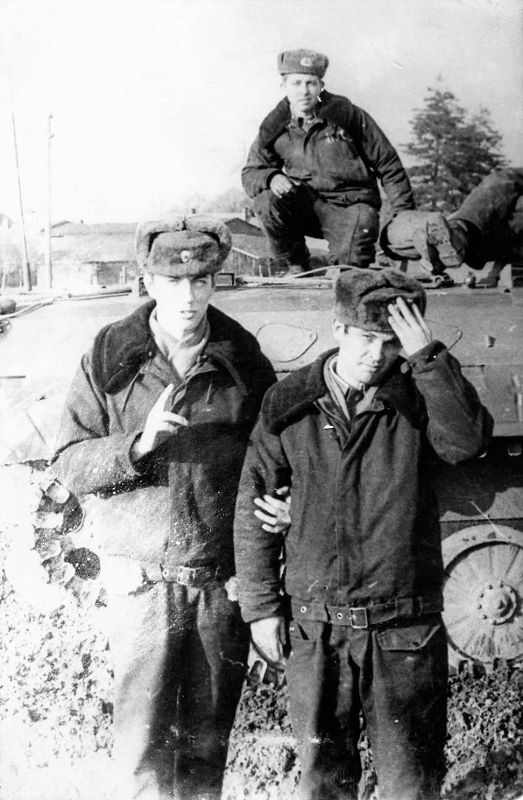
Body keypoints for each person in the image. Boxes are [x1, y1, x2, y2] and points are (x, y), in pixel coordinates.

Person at [234, 268, 493, 800]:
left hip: (403, 628)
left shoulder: (419, 397)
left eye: (391, 342)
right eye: (366, 338)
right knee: (322, 783)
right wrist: (260, 609)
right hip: (317, 630)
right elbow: (254, 506)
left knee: (410, 783)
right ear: (339, 330)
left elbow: (466, 443)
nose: (377, 355)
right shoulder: (290, 403)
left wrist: (427, 358)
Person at [51, 215, 276, 800]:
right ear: (148, 282)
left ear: (215, 282)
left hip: (215, 587)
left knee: (205, 752)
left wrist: (280, 507)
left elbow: (272, 460)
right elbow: (68, 462)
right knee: (141, 752)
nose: (188, 296)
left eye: (201, 281)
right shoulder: (109, 356)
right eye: (173, 281)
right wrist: (136, 445)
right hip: (142, 590)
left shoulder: (243, 360)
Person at [241, 48, 421, 274]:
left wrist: (404, 213)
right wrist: (271, 177)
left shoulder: (347, 116)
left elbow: (388, 164)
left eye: (311, 83)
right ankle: (296, 266)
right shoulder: (274, 126)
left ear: (321, 86)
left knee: (349, 269)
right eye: (296, 83)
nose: (304, 91)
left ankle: (344, 265)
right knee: (267, 201)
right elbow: (251, 172)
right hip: (305, 207)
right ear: (284, 85)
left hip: (351, 207)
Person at [383, 166, 523, 285]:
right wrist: (495, 273)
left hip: (487, 244)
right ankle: (455, 237)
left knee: (504, 183)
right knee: (506, 183)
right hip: (488, 241)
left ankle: (457, 236)